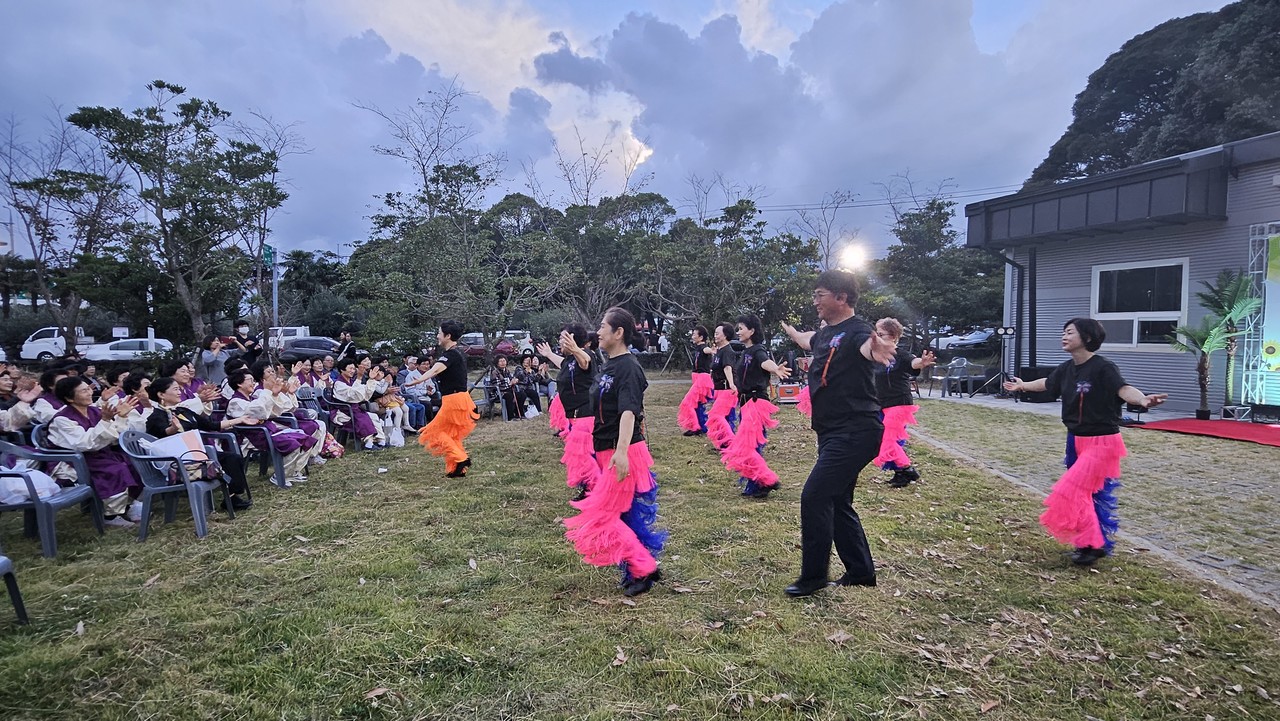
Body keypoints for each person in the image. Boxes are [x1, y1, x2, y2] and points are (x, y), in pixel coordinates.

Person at [1003, 318, 1167, 566]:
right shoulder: (1067, 369)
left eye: (1070, 332)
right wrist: (1023, 385)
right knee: (1086, 495)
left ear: (1087, 338)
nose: (1064, 336)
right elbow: (1047, 383)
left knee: (1073, 490)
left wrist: (1142, 400)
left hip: (1102, 442)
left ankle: (1093, 543)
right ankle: (1091, 544)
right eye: (1064, 332)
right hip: (1075, 439)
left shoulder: (1103, 368)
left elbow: (1123, 389)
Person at [782, 270, 897, 597]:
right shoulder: (825, 333)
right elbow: (808, 340)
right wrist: (791, 332)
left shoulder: (858, 331)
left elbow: (869, 349)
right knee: (838, 500)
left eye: (820, 295)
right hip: (832, 431)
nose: (815, 301)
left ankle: (813, 576)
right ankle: (861, 572)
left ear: (842, 297)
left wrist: (878, 349)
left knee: (815, 496)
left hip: (856, 430)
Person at [562, 307, 666, 597]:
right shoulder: (608, 364)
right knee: (620, 514)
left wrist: (620, 453)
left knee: (602, 515)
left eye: (604, 327)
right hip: (606, 449)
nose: (599, 331)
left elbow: (629, 412)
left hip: (624, 451)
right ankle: (637, 567)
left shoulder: (629, 367)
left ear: (618, 333)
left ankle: (644, 567)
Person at [47, 376, 145, 527]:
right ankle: (111, 516)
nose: (89, 393)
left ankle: (126, 505)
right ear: (69, 398)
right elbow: (85, 443)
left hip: (100, 453)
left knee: (133, 462)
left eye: (88, 389)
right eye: (83, 391)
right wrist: (105, 421)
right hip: (76, 459)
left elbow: (113, 436)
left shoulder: (93, 411)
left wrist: (121, 417)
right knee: (115, 469)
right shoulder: (62, 419)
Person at [145, 376, 255, 510]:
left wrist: (240, 419)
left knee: (233, 458)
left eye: (179, 389)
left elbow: (211, 425)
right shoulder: (155, 417)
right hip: (177, 462)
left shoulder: (182, 411)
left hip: (195, 455)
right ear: (161, 394)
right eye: (175, 389)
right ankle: (231, 498)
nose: (180, 392)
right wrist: (173, 429)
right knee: (227, 459)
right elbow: (163, 433)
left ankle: (232, 496)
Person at [723, 314, 790, 499]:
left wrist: (775, 368)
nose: (738, 331)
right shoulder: (745, 351)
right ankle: (756, 483)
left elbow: (764, 362)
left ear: (752, 331)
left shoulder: (758, 350)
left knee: (746, 447)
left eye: (741, 328)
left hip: (755, 403)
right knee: (749, 447)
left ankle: (767, 480)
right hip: (746, 403)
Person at [871, 318, 936, 488]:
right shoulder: (876, 355)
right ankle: (902, 473)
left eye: (881, 334)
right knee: (879, 439)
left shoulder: (901, 354)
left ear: (892, 336)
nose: (877, 337)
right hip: (880, 403)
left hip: (899, 403)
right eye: (876, 333)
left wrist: (922, 363)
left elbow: (913, 362)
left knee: (889, 439)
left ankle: (907, 469)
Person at [537, 324, 597, 499]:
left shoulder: (586, 356)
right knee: (583, 457)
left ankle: (593, 491)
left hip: (586, 417)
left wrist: (575, 348)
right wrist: (548, 355)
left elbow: (585, 361)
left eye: (563, 338)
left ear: (572, 340)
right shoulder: (569, 361)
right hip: (576, 418)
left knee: (586, 457)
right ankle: (588, 488)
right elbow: (563, 363)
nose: (560, 342)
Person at [411, 320, 478, 478]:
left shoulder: (451, 355)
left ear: (448, 336)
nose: (437, 336)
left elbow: (436, 369)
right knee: (451, 435)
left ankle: (461, 459)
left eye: (439, 333)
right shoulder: (458, 352)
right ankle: (457, 469)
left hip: (454, 399)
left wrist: (419, 380)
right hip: (460, 398)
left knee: (434, 431)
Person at [225, 369, 314, 485]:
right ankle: (281, 475)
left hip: (268, 430)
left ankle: (292, 472)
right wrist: (267, 391)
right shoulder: (235, 402)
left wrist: (276, 394)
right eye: (250, 380)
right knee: (293, 443)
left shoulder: (251, 399)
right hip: (255, 436)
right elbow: (259, 412)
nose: (253, 383)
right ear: (239, 384)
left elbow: (274, 412)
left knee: (305, 438)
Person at [331, 357, 388, 450]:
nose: (352, 371)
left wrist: (371, 380)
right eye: (350, 368)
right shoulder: (339, 384)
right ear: (342, 370)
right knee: (363, 418)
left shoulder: (352, 382)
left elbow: (365, 396)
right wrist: (359, 378)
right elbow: (354, 396)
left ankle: (381, 441)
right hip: (342, 412)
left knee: (373, 416)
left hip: (354, 410)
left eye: (354, 369)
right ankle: (368, 443)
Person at [704, 323, 740, 453]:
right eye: (715, 333)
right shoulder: (719, 350)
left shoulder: (728, 351)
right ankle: (723, 442)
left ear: (725, 335)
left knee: (716, 415)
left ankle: (732, 443)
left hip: (727, 390)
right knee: (722, 417)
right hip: (718, 389)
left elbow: (728, 367)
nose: (715, 335)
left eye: (718, 333)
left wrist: (731, 384)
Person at [676, 325, 715, 436]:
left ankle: (694, 427)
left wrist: (712, 350)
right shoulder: (697, 348)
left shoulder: (703, 347)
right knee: (697, 404)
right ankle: (701, 427)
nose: (692, 336)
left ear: (701, 337)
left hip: (702, 378)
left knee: (688, 402)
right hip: (698, 378)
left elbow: (707, 350)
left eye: (694, 334)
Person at [488, 355, 523, 420]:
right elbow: (497, 386)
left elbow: (511, 379)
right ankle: (510, 417)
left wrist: (515, 381)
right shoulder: (494, 373)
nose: (503, 363)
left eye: (504, 361)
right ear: (497, 363)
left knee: (521, 395)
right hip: (498, 393)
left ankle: (520, 414)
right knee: (509, 396)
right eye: (500, 361)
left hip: (508, 390)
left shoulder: (507, 371)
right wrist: (510, 384)